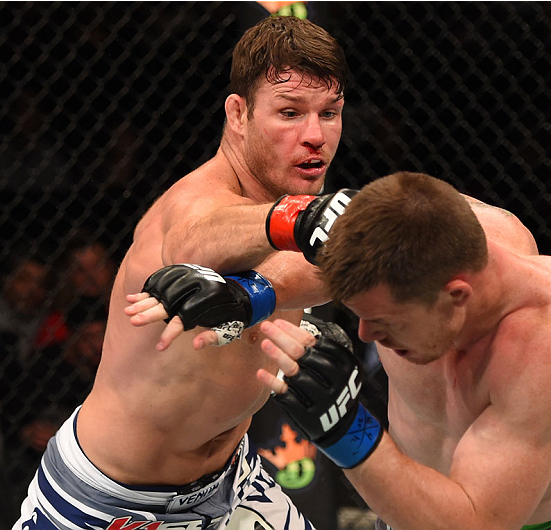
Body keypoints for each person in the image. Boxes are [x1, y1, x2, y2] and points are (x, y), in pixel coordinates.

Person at [13, 15, 348, 530]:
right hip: (109, 507)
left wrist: (256, 291)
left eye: (330, 113)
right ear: (238, 113)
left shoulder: (307, 219)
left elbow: (334, 261)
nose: (314, 136)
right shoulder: (198, 201)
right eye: (289, 113)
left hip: (232, 486)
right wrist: (298, 219)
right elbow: (195, 239)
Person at [254, 171, 551, 529]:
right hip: (402, 503)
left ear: (456, 296)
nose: (366, 335)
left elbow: (477, 522)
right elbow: (325, 259)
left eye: (386, 321)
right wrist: (251, 295)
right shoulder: (418, 231)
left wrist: (346, 428)